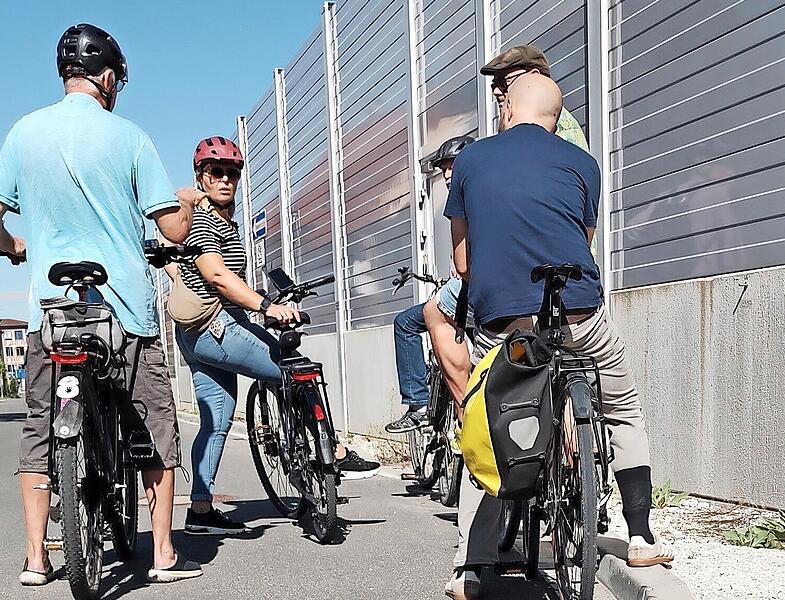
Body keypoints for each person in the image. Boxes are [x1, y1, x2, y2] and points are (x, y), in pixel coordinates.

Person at [443, 74, 672, 600]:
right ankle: (640, 537)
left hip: (506, 323)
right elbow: (580, 243)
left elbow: (463, 262)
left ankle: (470, 568)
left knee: (485, 421)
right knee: (624, 409)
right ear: (556, 117)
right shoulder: (584, 164)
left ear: (508, 109)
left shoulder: (472, 161)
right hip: (578, 313)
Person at [0, 23, 204, 585]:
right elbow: (173, 229)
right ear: (108, 77)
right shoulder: (130, 138)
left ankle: (36, 559)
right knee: (153, 423)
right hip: (124, 310)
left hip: (51, 312)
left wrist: (15, 247)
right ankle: (163, 553)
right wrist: (185, 204)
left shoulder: (23, 133)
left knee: (40, 427)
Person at [171, 137, 380, 535]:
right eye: (216, 172)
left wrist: (260, 299)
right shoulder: (203, 221)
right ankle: (333, 450)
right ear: (201, 177)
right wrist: (265, 307)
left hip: (198, 333)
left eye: (232, 173)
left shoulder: (219, 220)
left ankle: (200, 511)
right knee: (295, 370)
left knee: (216, 419)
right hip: (218, 327)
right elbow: (216, 275)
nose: (225, 180)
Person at [385, 135, 474, 434]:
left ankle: (419, 405)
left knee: (407, 323)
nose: (447, 175)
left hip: (472, 295)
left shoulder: (465, 199)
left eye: (452, 166)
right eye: (444, 168)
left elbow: (464, 267)